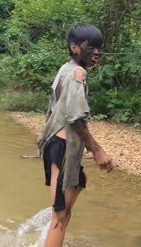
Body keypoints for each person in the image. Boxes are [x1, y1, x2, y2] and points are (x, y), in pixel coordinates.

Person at [37, 23, 114, 247]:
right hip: (62, 149)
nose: (96, 53)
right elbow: (75, 118)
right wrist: (98, 151)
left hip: (57, 147)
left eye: (99, 48)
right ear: (74, 48)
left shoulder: (66, 69)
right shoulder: (77, 74)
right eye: (91, 47)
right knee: (59, 218)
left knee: (69, 204)